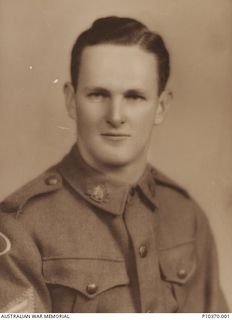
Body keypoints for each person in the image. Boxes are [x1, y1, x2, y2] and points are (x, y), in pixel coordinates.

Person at [0, 16, 229, 313]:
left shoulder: (186, 215)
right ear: (71, 101)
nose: (116, 115)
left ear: (160, 107)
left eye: (134, 96)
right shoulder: (22, 225)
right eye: (98, 94)